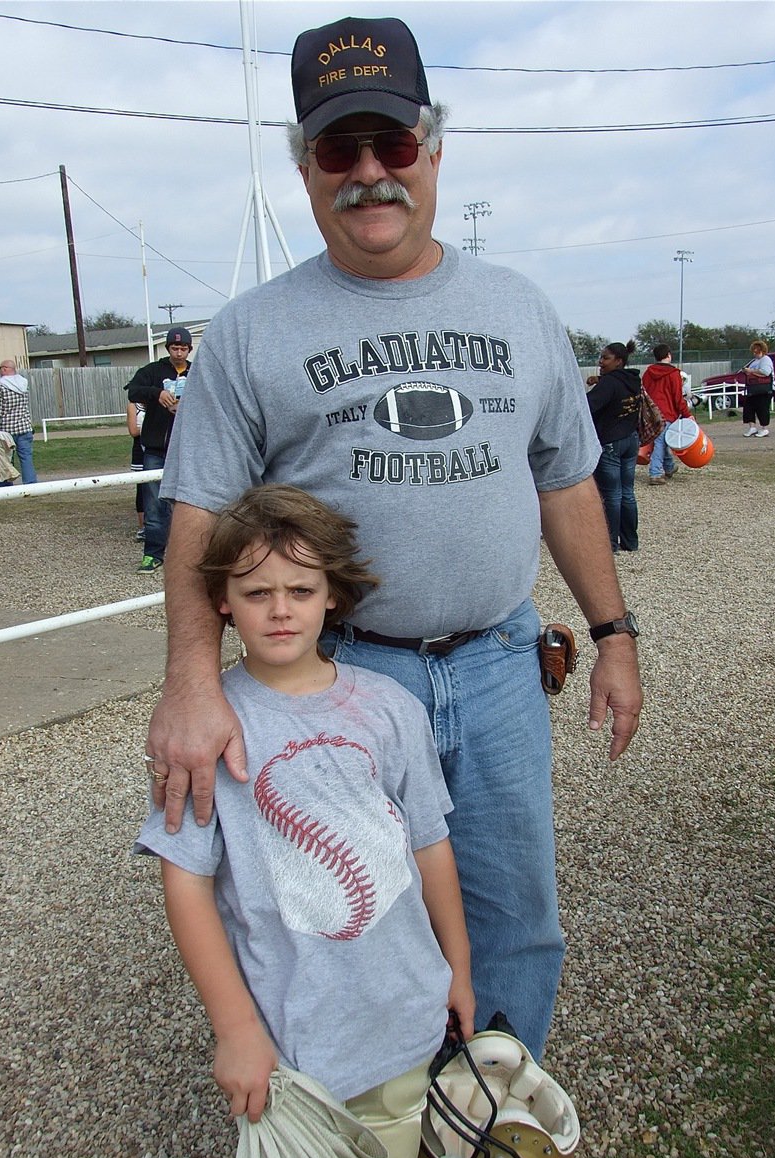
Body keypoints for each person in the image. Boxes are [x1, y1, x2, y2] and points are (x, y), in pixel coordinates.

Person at [145, 14, 642, 1061]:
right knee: (361, 913)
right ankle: (389, 1111)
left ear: (435, 149)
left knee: (515, 914)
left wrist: (614, 633)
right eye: (339, 149)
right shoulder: (249, 334)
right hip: (340, 678)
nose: (370, 173)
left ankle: (489, 1116)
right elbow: (199, 516)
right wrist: (190, 681)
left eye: (394, 145)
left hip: (503, 665)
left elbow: (564, 478)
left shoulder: (517, 308)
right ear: (307, 169)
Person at [134, 484, 475, 1158]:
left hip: (405, 1015)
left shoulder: (391, 708)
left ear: (333, 597)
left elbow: (428, 844)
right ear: (223, 600)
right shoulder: (211, 728)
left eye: (300, 588)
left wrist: (459, 970)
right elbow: (186, 881)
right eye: (257, 592)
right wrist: (235, 1030)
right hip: (296, 1039)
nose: (281, 609)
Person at [124, 327, 193, 573]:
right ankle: (152, 555)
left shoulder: (197, 372)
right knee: (153, 504)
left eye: (183, 348)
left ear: (189, 349)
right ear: (167, 349)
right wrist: (157, 393)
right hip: (155, 449)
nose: (178, 352)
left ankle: (184, 556)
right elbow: (132, 390)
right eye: (174, 348)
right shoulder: (153, 371)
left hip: (186, 449)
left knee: (186, 503)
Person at [586, 340, 642, 551]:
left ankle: (610, 543)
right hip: (630, 439)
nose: (601, 362)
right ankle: (630, 540)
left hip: (611, 441)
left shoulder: (609, 384)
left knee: (612, 494)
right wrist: (599, 380)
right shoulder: (633, 380)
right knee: (627, 492)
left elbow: (587, 405)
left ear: (618, 361)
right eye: (600, 358)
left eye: (605, 358)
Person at [642, 343, 691, 482]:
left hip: (651, 412)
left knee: (660, 440)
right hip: (666, 413)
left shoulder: (648, 373)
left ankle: (669, 467)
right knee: (660, 442)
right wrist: (687, 414)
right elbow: (677, 397)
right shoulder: (674, 374)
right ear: (668, 355)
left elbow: (643, 392)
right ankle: (655, 473)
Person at [0, 359, 37, 484]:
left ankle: (5, 484)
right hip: (24, 426)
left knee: (5, 459)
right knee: (26, 457)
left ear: (4, 369)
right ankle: (30, 483)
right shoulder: (23, 383)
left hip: (6, 429)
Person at [740, 339, 775, 438]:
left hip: (765, 388)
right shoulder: (754, 361)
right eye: (754, 351)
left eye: (757, 351)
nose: (755, 353)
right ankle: (752, 427)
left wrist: (751, 371)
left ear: (763, 350)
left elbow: (766, 372)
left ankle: (764, 428)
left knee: (762, 407)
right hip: (753, 388)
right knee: (749, 407)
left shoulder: (766, 359)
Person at [126, 398, 146, 540]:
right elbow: (133, 430)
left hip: (158, 448)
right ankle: (143, 526)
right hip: (140, 449)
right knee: (142, 489)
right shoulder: (133, 406)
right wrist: (152, 427)